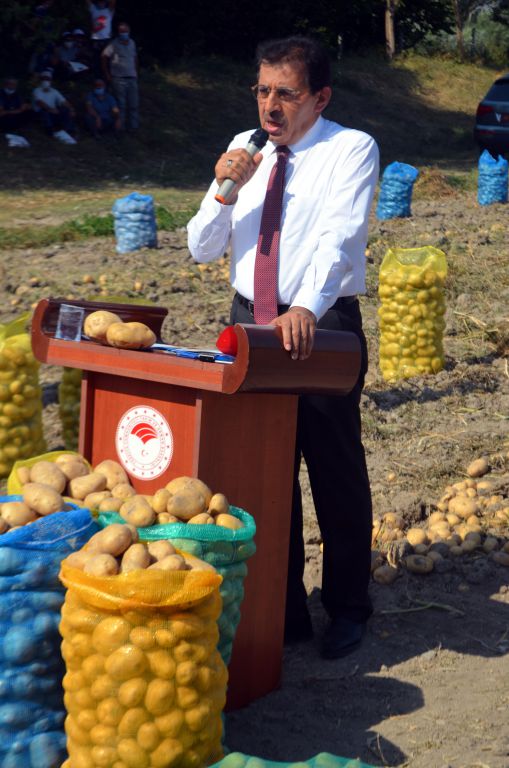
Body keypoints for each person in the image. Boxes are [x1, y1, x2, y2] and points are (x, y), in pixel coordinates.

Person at [187, 35, 379, 660]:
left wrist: (306, 308)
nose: (271, 105)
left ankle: (348, 607)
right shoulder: (246, 150)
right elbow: (200, 247)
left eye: (286, 93)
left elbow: (339, 238)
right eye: (263, 90)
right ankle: (283, 611)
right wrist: (223, 188)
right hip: (249, 327)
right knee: (266, 475)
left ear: (319, 97)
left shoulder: (349, 150)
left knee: (333, 470)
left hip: (317, 326)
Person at [101, 23, 139, 131]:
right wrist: (107, 74)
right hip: (118, 79)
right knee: (121, 105)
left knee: (134, 104)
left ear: (129, 31)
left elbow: (135, 57)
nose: (124, 33)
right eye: (121, 31)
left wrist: (136, 72)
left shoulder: (132, 43)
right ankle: (120, 128)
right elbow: (104, 56)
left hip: (132, 78)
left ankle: (134, 127)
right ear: (118, 33)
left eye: (125, 31)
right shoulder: (113, 44)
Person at [32, 70, 76, 137]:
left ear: (51, 81)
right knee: (45, 112)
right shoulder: (36, 90)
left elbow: (63, 101)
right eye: (44, 79)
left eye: (48, 79)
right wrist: (50, 109)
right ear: (41, 80)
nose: (46, 81)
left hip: (53, 112)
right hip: (40, 112)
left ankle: (69, 130)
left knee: (65, 110)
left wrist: (71, 109)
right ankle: (50, 132)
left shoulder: (54, 91)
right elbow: (39, 102)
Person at [87, 0, 116, 74]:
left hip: (107, 39)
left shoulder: (109, 11)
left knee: (108, 59)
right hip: (96, 39)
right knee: (96, 60)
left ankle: (108, 77)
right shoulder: (93, 9)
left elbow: (113, 2)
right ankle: (98, 79)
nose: (101, 3)